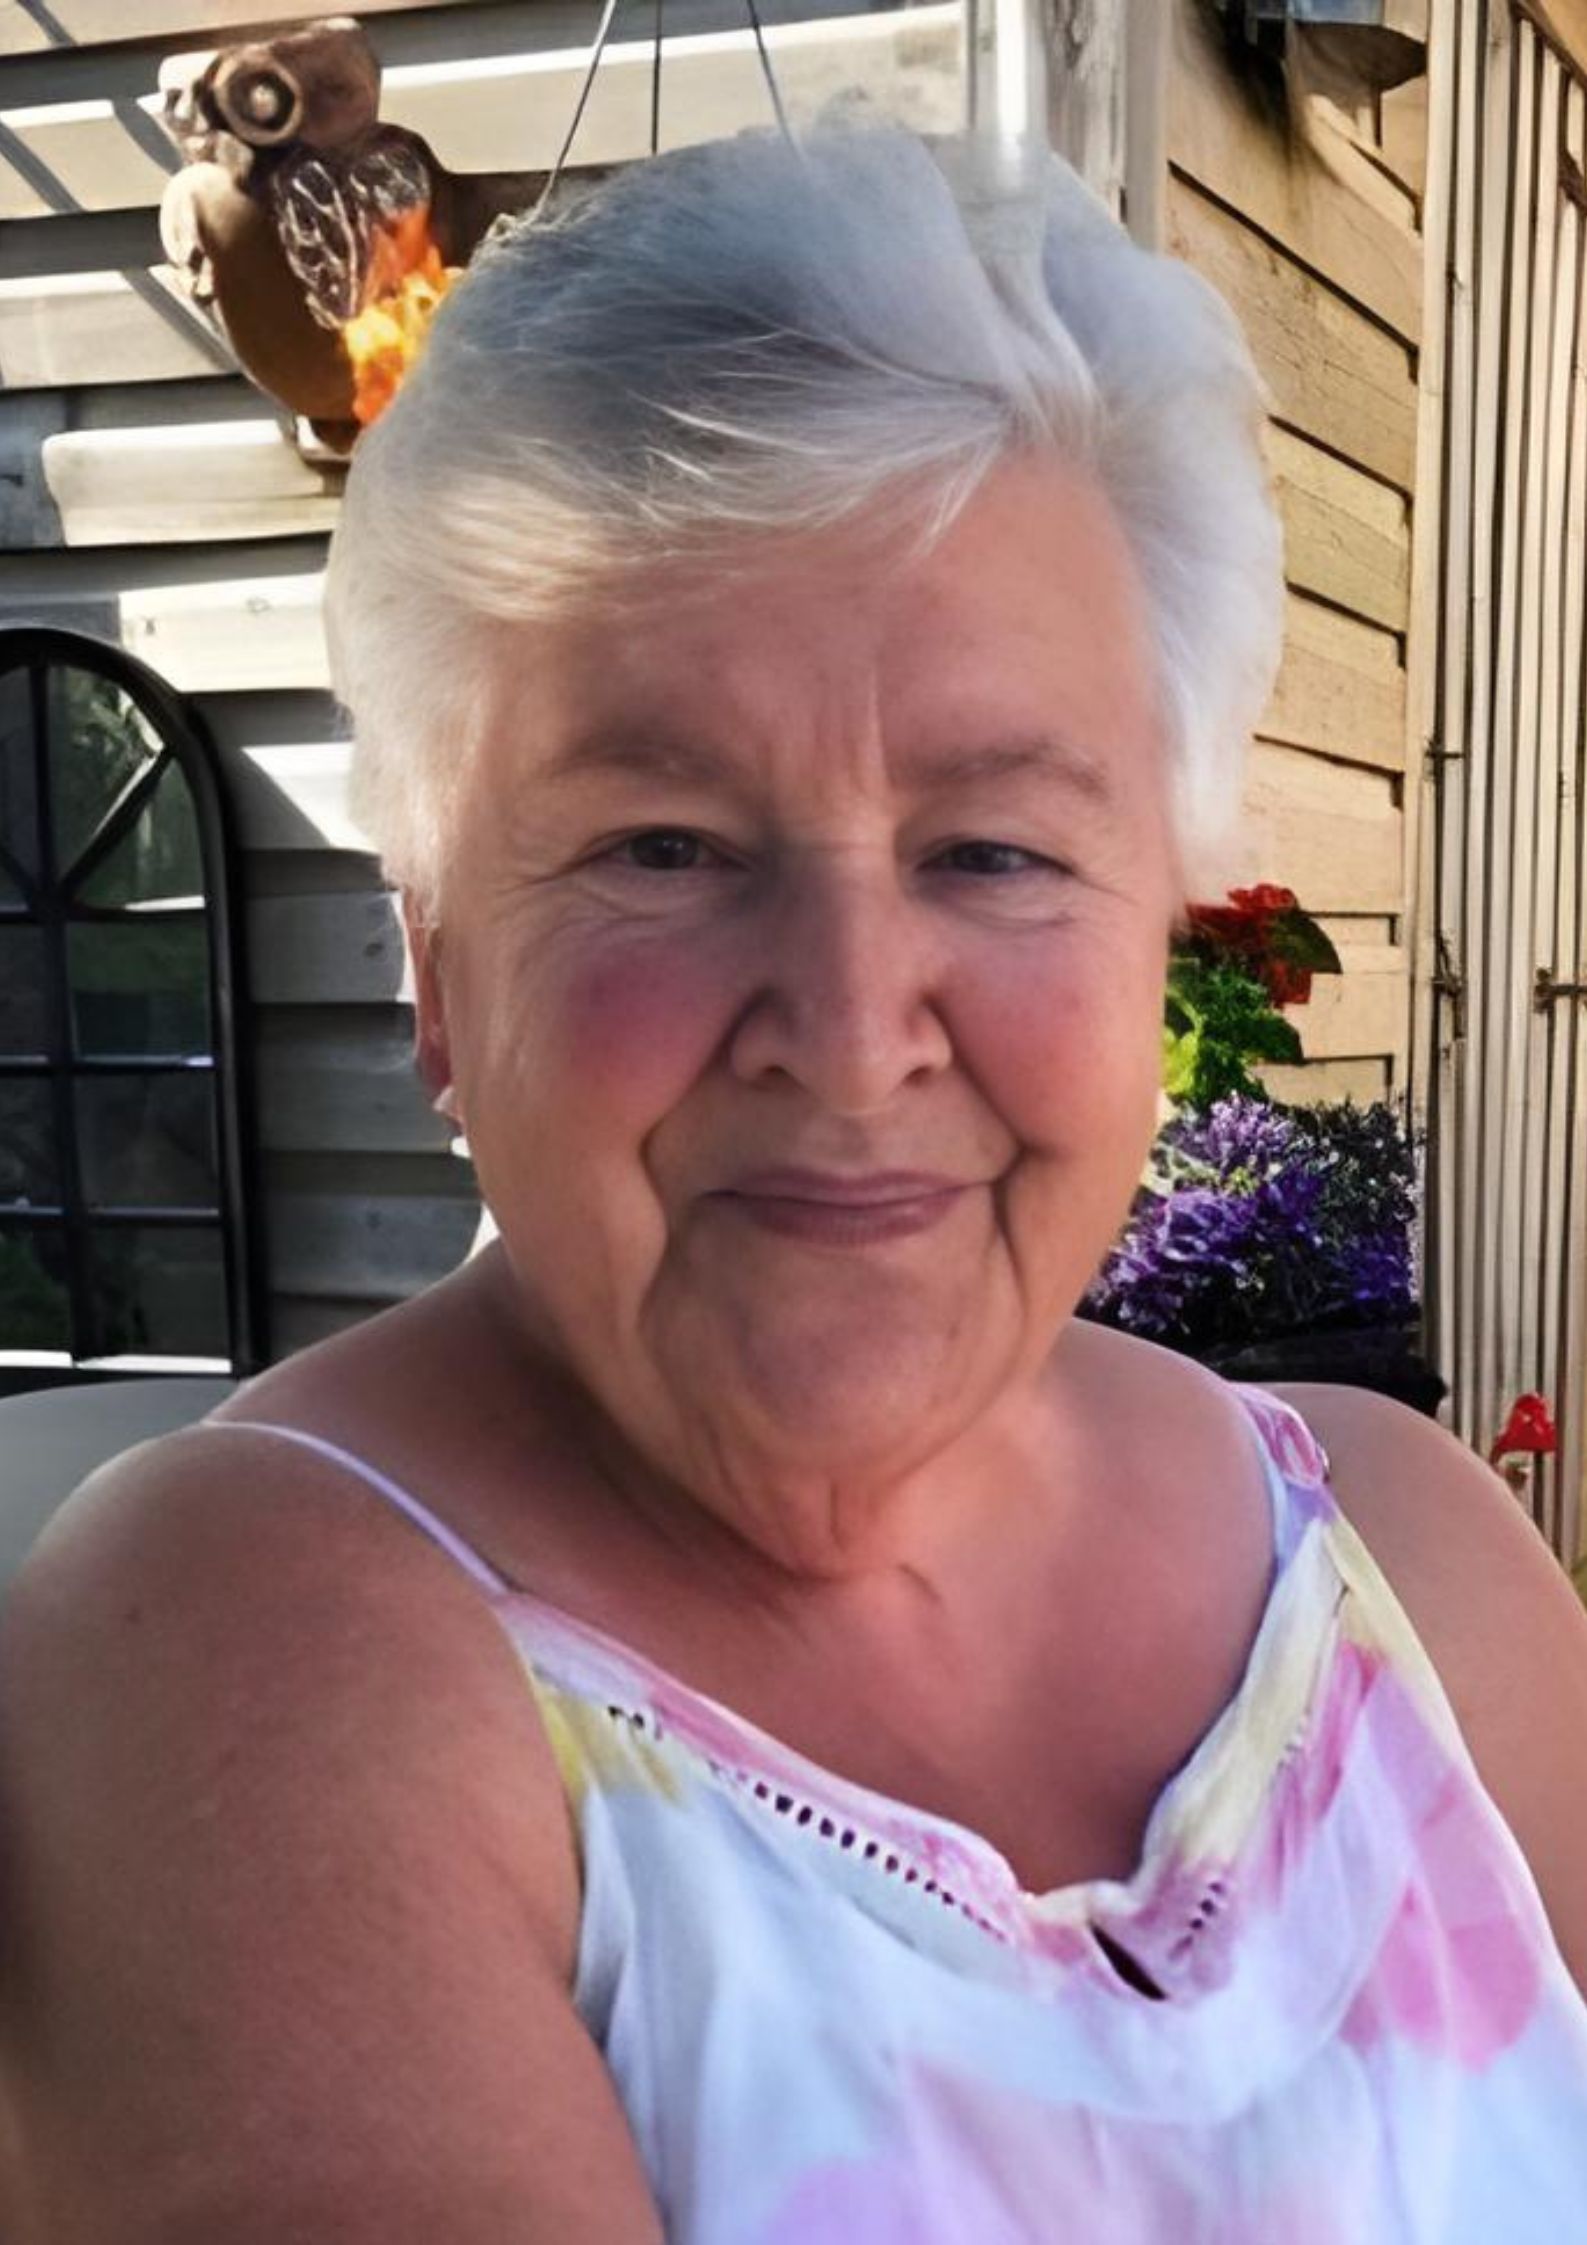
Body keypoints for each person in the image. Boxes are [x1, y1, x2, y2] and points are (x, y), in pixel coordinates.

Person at [2, 119, 1585, 2245]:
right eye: (661, 847)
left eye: (993, 851)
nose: (846, 1030)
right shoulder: (236, 1652)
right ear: (438, 970)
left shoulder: (1408, 1561)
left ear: (1161, 934)